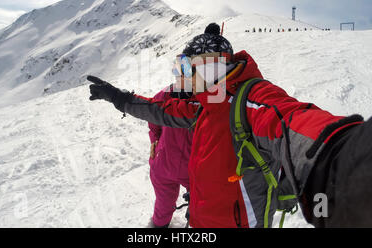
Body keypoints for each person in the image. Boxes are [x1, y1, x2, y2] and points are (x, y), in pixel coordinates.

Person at [87, 24, 371, 228]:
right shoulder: (206, 104)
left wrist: (343, 160)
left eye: (187, 68)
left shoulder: (250, 100)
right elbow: (161, 110)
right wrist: (120, 99)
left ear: (209, 67)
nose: (182, 77)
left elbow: (290, 120)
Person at [148, 76, 193, 228]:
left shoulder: (209, 96)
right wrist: (155, 139)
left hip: (193, 169)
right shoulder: (168, 92)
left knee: (200, 209)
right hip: (163, 163)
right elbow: (152, 114)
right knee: (163, 205)